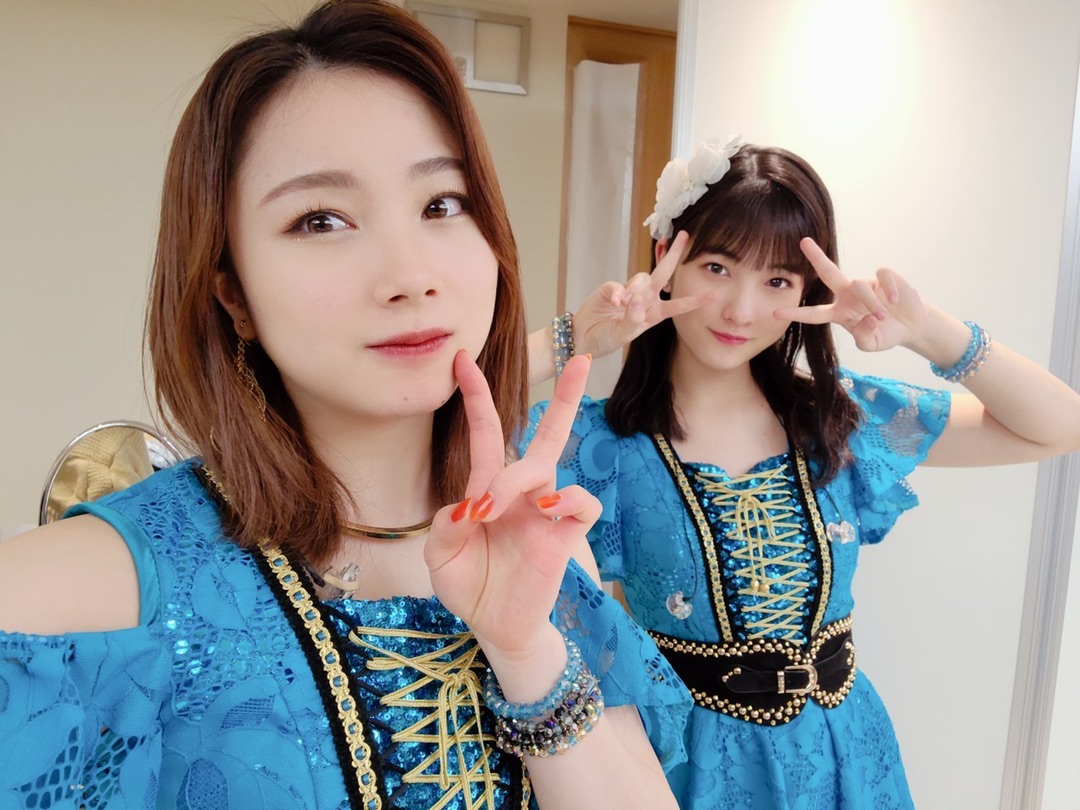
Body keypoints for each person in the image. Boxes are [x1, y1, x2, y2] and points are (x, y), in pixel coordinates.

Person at [0, 2, 691, 808]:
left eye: (441, 204)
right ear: (232, 293)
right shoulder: (91, 591)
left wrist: (526, 652)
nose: (409, 275)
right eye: (320, 220)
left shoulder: (544, 550)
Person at [524, 137, 1080, 808]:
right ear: (667, 259)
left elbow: (1058, 426)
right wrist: (574, 337)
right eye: (718, 267)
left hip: (849, 758)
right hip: (686, 768)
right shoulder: (593, 443)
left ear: (806, 292)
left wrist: (924, 329)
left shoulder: (838, 420)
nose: (741, 310)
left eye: (777, 281)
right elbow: (433, 411)